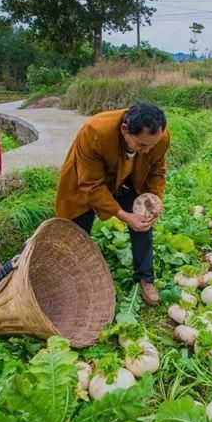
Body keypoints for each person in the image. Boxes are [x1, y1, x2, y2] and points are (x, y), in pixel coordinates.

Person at [55, 102, 169, 306]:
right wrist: (124, 215)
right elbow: (91, 184)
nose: (147, 150)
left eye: (151, 145)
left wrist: (153, 199)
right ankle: (67, 281)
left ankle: (145, 278)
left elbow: (157, 171)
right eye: (142, 145)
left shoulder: (158, 139)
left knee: (143, 220)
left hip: (128, 179)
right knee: (75, 232)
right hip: (87, 181)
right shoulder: (95, 133)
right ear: (125, 130)